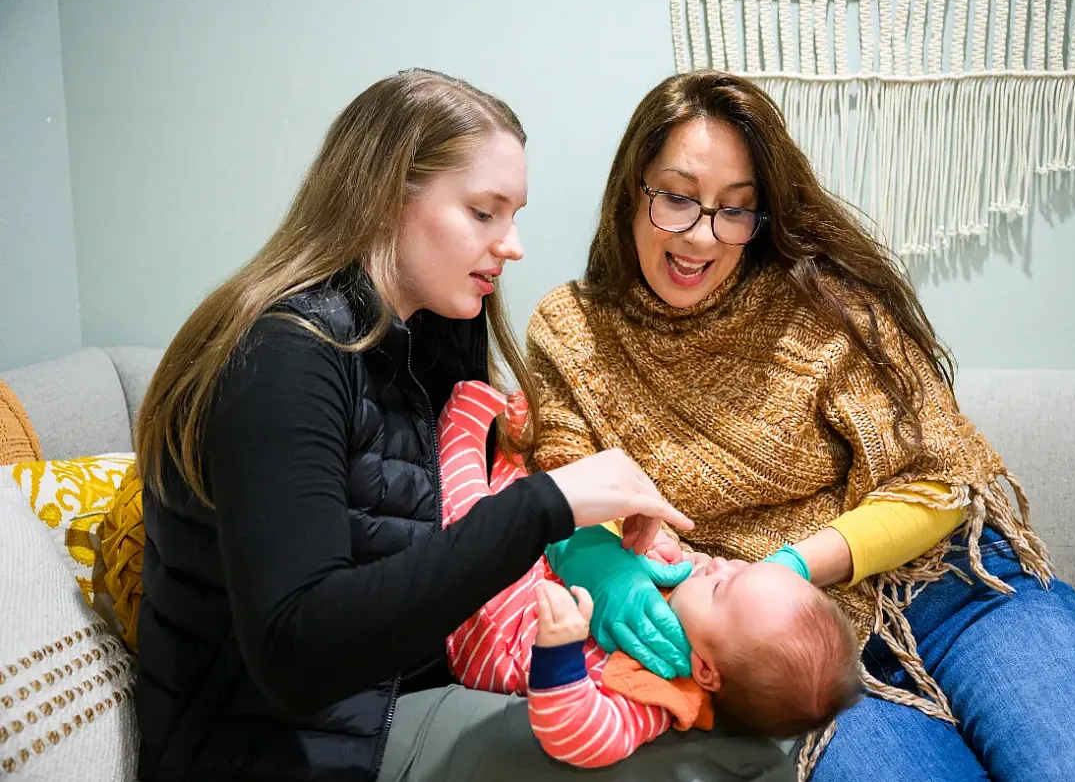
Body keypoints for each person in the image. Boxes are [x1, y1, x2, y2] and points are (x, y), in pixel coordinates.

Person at [525, 70, 1075, 781]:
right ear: (630, 189)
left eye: (736, 210)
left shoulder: (819, 299)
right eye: (678, 198)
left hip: (947, 591)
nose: (703, 236)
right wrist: (601, 566)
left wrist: (794, 566)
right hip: (805, 667)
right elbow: (556, 487)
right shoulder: (570, 329)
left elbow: (942, 480)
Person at [129, 69, 736, 782]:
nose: (512, 245)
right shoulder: (286, 357)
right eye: (485, 212)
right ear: (386, 199)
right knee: (723, 759)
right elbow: (296, 656)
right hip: (280, 744)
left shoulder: (432, 332)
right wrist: (546, 506)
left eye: (514, 215)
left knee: (734, 720)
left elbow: (447, 530)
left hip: (395, 697)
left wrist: (589, 552)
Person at [435, 380, 861, 768]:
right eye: (742, 566)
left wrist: (559, 652)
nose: (719, 563)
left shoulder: (663, 693)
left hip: (495, 634)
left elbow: (582, 736)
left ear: (706, 671)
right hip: (544, 585)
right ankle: (511, 457)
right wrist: (660, 553)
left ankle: (460, 444)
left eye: (721, 586)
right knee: (538, 509)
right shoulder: (699, 611)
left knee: (476, 529)